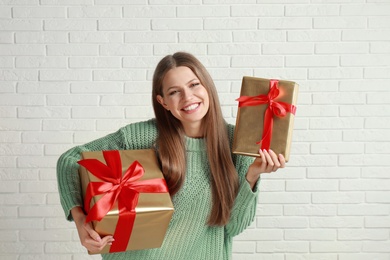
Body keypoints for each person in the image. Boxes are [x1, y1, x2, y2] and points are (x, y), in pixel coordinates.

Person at [56, 52, 286, 260]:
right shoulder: (144, 137)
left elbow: (234, 227)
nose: (187, 97)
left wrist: (252, 176)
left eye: (194, 85)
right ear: (163, 102)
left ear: (207, 87)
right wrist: (80, 219)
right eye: (174, 92)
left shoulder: (237, 142)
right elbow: (70, 160)